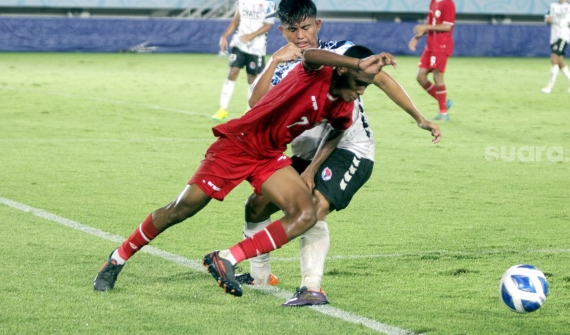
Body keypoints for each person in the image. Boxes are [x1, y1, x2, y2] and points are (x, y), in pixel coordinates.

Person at [93, 45, 398, 296]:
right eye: (359, 84)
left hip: (269, 156)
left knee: (305, 213)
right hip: (237, 145)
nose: (360, 93)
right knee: (180, 209)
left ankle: (227, 258)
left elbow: (337, 131)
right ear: (343, 71)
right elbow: (310, 55)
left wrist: (313, 168)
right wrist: (358, 61)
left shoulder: (343, 107)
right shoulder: (313, 73)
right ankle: (116, 259)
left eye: (366, 87)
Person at [235, 0, 442, 306]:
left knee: (313, 208)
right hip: (306, 153)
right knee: (256, 205)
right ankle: (260, 274)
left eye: (305, 27)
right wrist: (277, 59)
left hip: (348, 148)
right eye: (292, 30)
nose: (300, 36)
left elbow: (382, 80)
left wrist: (419, 118)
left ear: (317, 25)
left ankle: (312, 288)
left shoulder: (339, 52)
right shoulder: (280, 67)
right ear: (282, 32)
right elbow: (255, 104)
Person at [212, 0, 276, 121]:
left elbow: (267, 26)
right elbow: (236, 21)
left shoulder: (269, 3)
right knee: (232, 72)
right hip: (240, 44)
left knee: (252, 79)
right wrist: (224, 36)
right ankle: (222, 109)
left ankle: (249, 112)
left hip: (257, 48)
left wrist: (251, 36)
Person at [409, 0, 455, 121]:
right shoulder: (433, 1)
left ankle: (443, 113)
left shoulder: (448, 3)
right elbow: (430, 23)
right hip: (430, 46)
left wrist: (426, 26)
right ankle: (445, 102)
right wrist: (417, 37)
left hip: (441, 45)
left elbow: (447, 27)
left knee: (437, 76)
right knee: (420, 77)